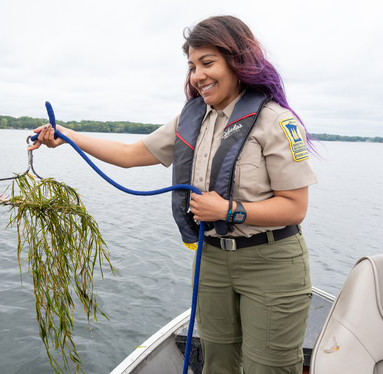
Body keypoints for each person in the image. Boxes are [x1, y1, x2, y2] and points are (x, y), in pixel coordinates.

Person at [30, 15, 317, 374]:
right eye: (193, 66)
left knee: (268, 367)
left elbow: (295, 207)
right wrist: (67, 134)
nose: (198, 75)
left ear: (238, 61)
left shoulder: (276, 121)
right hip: (212, 260)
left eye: (208, 63)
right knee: (217, 363)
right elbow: (131, 155)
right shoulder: (190, 119)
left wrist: (229, 210)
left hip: (272, 264)